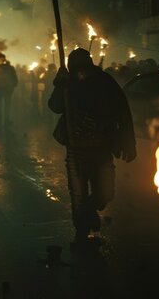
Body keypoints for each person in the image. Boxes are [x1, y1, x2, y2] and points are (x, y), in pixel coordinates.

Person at [48, 49, 136, 249]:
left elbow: (123, 112)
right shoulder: (68, 83)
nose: (80, 72)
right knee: (78, 196)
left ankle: (89, 211)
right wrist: (60, 84)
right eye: (75, 68)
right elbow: (54, 106)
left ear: (90, 65)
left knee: (104, 194)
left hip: (102, 150)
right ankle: (81, 233)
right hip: (76, 150)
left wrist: (129, 143)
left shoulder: (105, 83)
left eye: (83, 67)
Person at [0, 53, 17, 129]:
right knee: (6, 105)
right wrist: (13, 86)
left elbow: (14, 78)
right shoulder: (10, 67)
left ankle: (1, 121)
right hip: (6, 89)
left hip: (2, 88)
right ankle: (5, 120)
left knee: (1, 105)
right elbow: (15, 78)